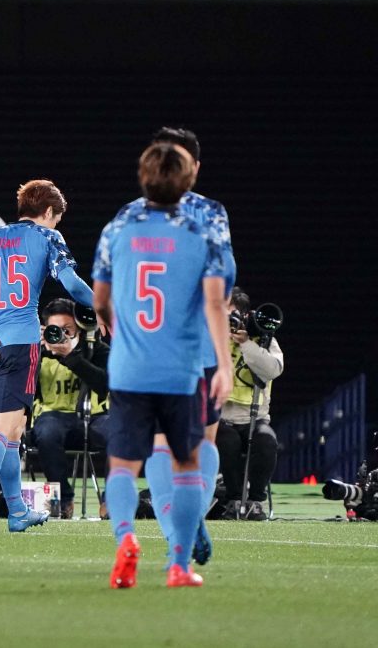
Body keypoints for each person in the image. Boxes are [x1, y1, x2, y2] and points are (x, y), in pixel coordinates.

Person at [92, 142, 233, 589]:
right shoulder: (202, 230)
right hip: (183, 367)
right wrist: (225, 365)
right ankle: (177, 562)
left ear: (143, 177)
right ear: (189, 179)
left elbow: (101, 301)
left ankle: (126, 540)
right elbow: (217, 302)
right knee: (188, 462)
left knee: (121, 466)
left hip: (131, 367)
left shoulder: (118, 228)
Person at [0, 179, 93, 533]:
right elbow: (72, 283)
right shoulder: (47, 238)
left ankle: (17, 511)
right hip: (19, 343)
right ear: (48, 212)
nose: (56, 225)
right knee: (1, 430)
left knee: (12, 433)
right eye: (56, 218)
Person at [138, 128, 237, 566]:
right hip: (199, 344)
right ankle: (191, 518)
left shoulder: (132, 216)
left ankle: (174, 533)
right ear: (193, 167)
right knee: (201, 446)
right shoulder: (211, 213)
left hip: (152, 347)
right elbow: (222, 289)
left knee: (161, 444)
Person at [30, 298, 110, 519]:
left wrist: (71, 357)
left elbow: (104, 384)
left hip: (94, 416)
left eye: (68, 330)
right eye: (56, 330)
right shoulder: (37, 353)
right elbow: (20, 387)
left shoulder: (95, 349)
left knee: (121, 432)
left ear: (79, 329)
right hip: (53, 416)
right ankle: (63, 500)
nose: (63, 336)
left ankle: (112, 500)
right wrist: (32, 350)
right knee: (46, 433)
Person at [216, 287, 284, 520]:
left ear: (245, 315)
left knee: (267, 440)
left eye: (232, 315)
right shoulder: (212, 338)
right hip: (221, 419)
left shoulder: (263, 338)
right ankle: (233, 500)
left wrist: (246, 343)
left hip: (256, 418)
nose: (228, 321)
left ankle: (255, 501)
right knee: (227, 440)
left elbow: (273, 369)